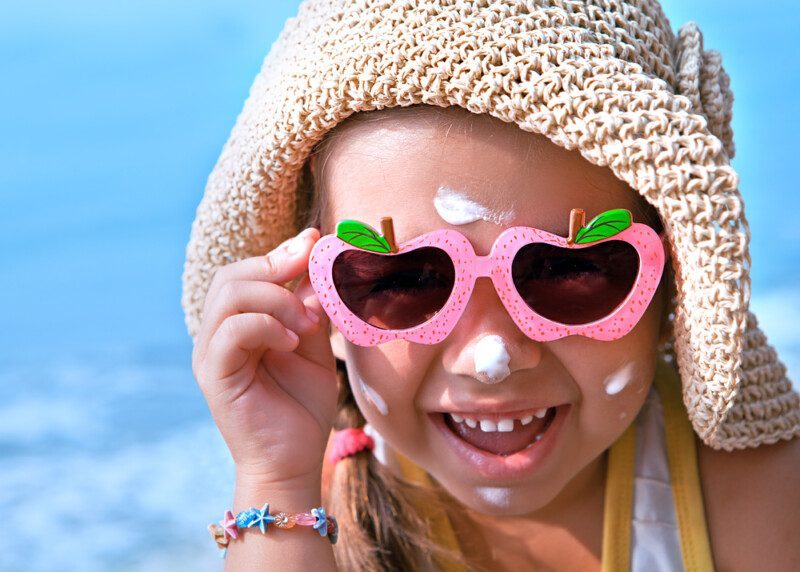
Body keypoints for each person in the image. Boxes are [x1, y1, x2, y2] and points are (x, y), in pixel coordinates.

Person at [182, 1, 800, 570]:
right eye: (404, 280)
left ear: (673, 283)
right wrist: (276, 481)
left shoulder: (761, 497)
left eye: (568, 270)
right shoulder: (303, 525)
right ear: (320, 302)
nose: (492, 359)